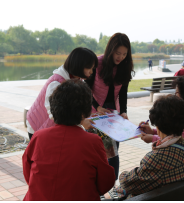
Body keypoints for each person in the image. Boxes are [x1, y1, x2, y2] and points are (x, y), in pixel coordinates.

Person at [23, 79, 116, 201]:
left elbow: (27, 171)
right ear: (84, 112)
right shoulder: (92, 141)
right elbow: (105, 183)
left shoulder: (38, 136)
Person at [110, 95, 184, 199]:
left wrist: (123, 174)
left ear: (157, 123)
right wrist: (153, 133)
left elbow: (127, 183)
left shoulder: (156, 159)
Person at [85, 33, 135, 187]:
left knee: (112, 150)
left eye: (124, 54)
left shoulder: (125, 65)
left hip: (114, 114)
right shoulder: (97, 63)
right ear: (110, 50)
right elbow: (86, 87)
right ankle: (93, 185)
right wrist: (97, 106)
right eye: (117, 53)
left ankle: (111, 184)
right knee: (94, 150)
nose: (120, 57)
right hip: (96, 113)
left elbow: (123, 92)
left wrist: (124, 111)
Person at [26, 47, 98, 140]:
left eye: (92, 68)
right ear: (79, 65)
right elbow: (53, 113)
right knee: (41, 153)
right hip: (38, 124)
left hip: (52, 126)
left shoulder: (77, 79)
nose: (91, 72)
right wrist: (81, 121)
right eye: (89, 68)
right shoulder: (56, 83)